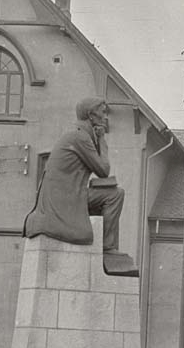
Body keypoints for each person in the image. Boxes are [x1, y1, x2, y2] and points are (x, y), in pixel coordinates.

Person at [23, 97, 135, 275]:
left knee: (110, 193)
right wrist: (103, 140)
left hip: (66, 195)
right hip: (64, 200)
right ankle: (107, 249)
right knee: (115, 195)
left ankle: (106, 247)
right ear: (91, 116)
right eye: (103, 112)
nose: (106, 117)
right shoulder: (80, 137)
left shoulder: (78, 135)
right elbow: (103, 170)